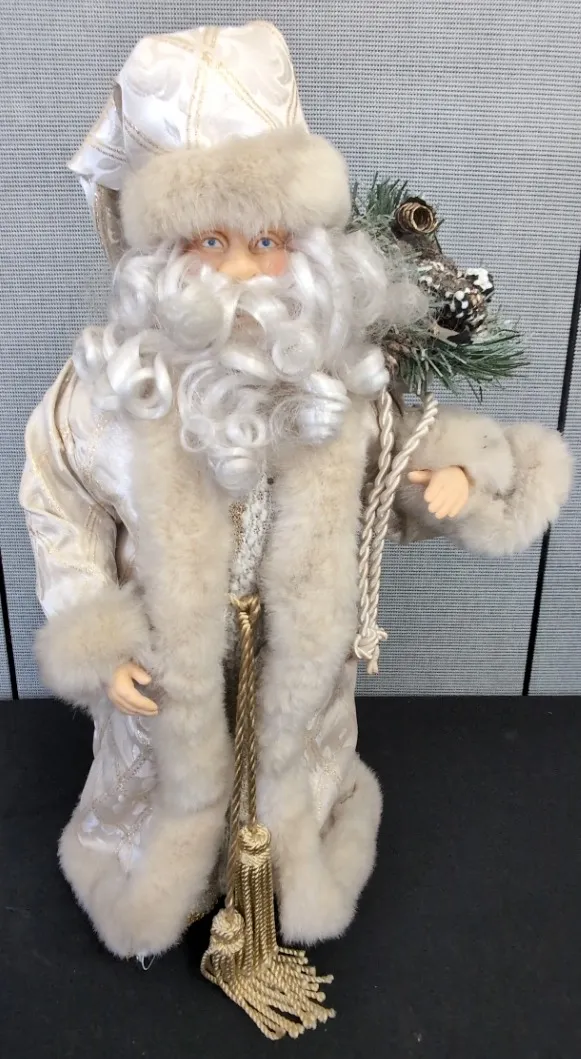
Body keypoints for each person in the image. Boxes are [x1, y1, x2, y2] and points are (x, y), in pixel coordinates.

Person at [20, 21, 571, 1037]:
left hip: (299, 676)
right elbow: (60, 503)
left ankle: (281, 875)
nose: (241, 271)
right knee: (158, 771)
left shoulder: (335, 383)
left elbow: (388, 475)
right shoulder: (107, 393)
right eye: (210, 243)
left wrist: (449, 479)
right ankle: (171, 878)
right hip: (166, 673)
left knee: (300, 764)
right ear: (162, 255)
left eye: (266, 242)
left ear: (306, 248)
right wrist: (93, 629)